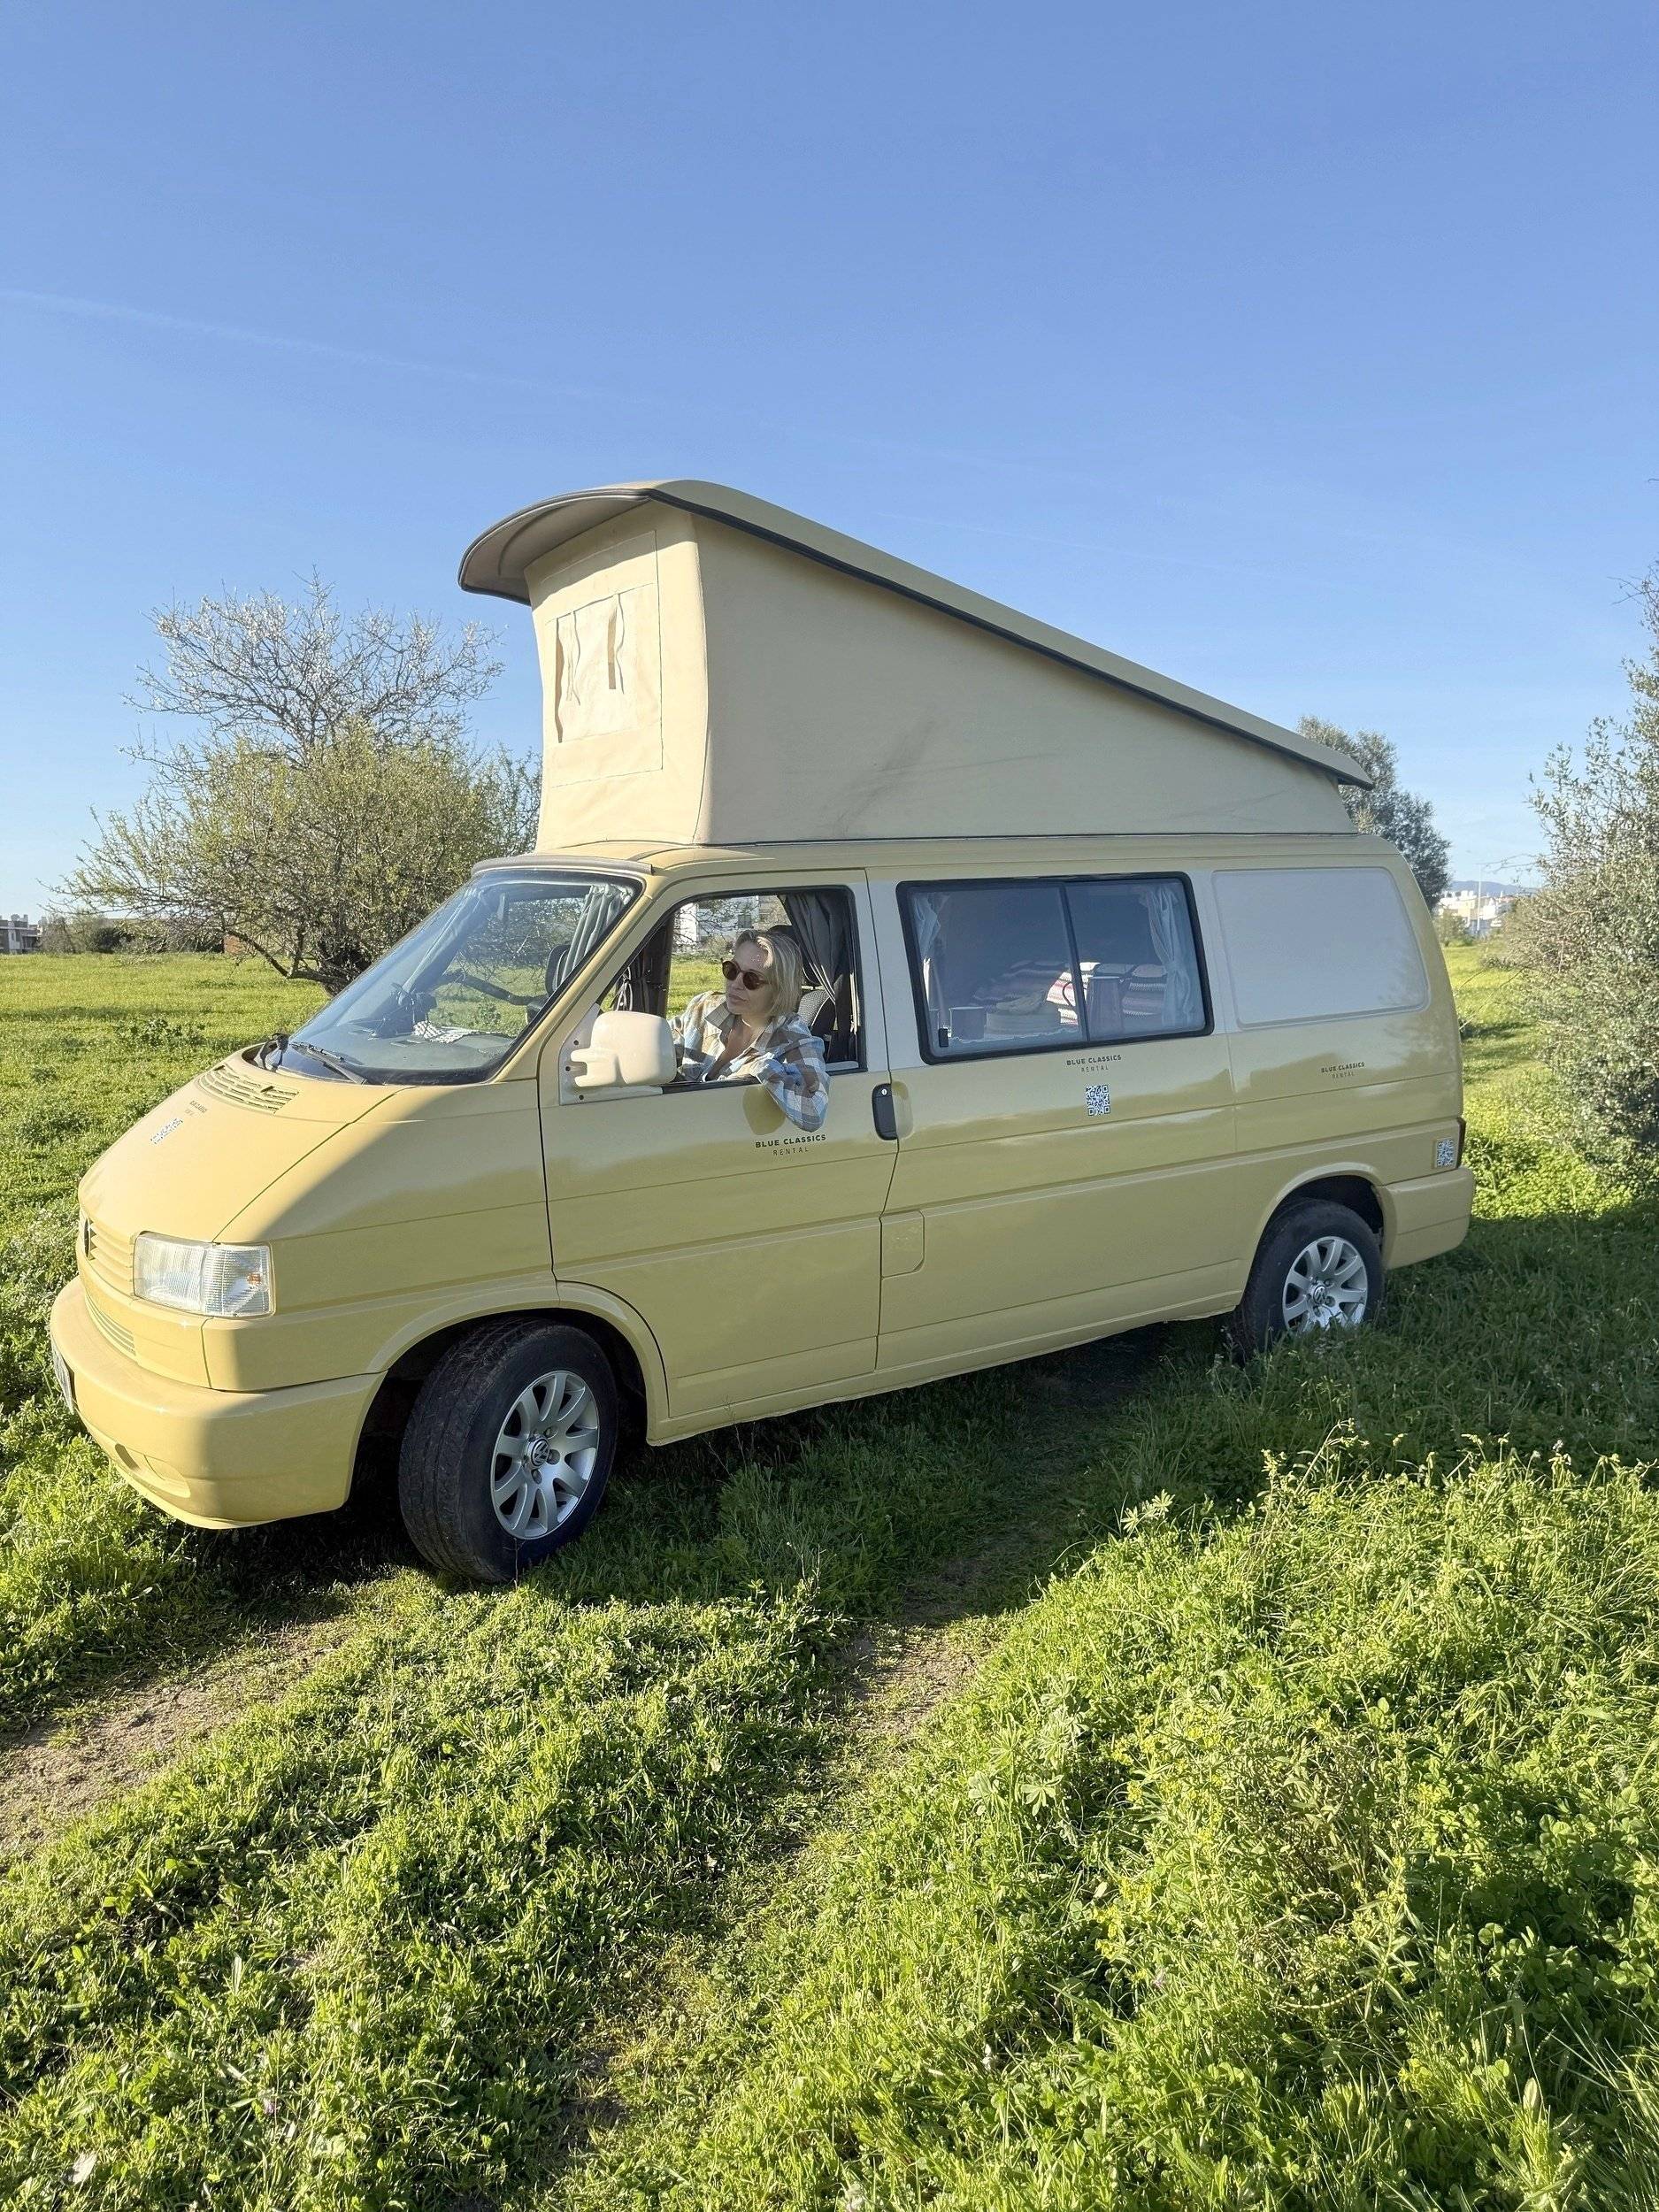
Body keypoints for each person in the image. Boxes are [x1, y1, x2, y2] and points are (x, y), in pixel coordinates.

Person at [671, 929, 830, 1133]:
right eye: (731, 970)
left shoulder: (795, 1039)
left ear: (778, 990)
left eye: (752, 980)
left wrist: (760, 1068)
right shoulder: (704, 1007)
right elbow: (655, 1048)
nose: (735, 984)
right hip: (679, 1130)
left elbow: (814, 1112)